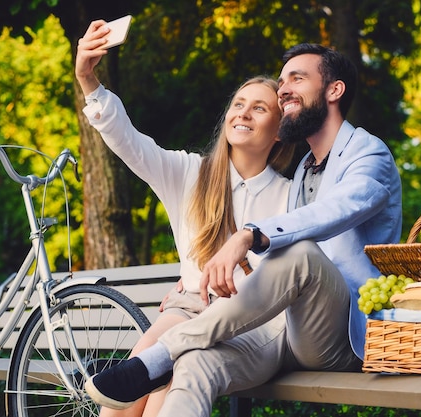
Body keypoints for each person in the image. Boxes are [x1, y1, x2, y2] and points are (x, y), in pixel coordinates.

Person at [84, 42, 403, 417]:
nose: (284, 89)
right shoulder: (301, 172)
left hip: (330, 331)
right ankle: (163, 357)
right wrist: (89, 81)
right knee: (193, 366)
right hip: (265, 326)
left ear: (334, 90)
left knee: (298, 252)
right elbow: (131, 144)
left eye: (295, 80)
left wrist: (249, 234)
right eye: (281, 83)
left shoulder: (368, 154)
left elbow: (339, 209)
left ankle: (161, 355)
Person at [75, 20, 296, 417]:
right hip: (186, 307)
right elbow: (128, 142)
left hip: (246, 322)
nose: (243, 113)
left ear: (278, 131)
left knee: (167, 386)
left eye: (260, 108)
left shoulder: (290, 195)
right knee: (133, 381)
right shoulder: (188, 173)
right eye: (239, 104)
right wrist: (89, 80)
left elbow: (286, 278)